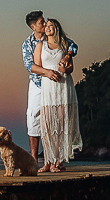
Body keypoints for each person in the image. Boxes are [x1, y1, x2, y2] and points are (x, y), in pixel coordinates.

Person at [22, 10, 77, 166]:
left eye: (44, 21)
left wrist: (67, 55)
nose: (45, 24)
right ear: (33, 27)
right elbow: (29, 65)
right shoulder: (28, 44)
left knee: (56, 119)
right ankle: (34, 160)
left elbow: (73, 45)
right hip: (38, 83)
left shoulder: (53, 36)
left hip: (55, 85)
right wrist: (46, 72)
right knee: (33, 117)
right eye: (41, 22)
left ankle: (55, 160)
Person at [33, 18, 83, 172]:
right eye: (46, 25)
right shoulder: (40, 45)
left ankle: (57, 161)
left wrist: (64, 69)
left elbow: (71, 68)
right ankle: (47, 161)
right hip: (48, 87)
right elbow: (36, 67)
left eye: (51, 25)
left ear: (57, 28)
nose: (48, 27)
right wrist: (48, 73)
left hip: (63, 87)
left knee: (61, 124)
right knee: (48, 125)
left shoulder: (65, 45)